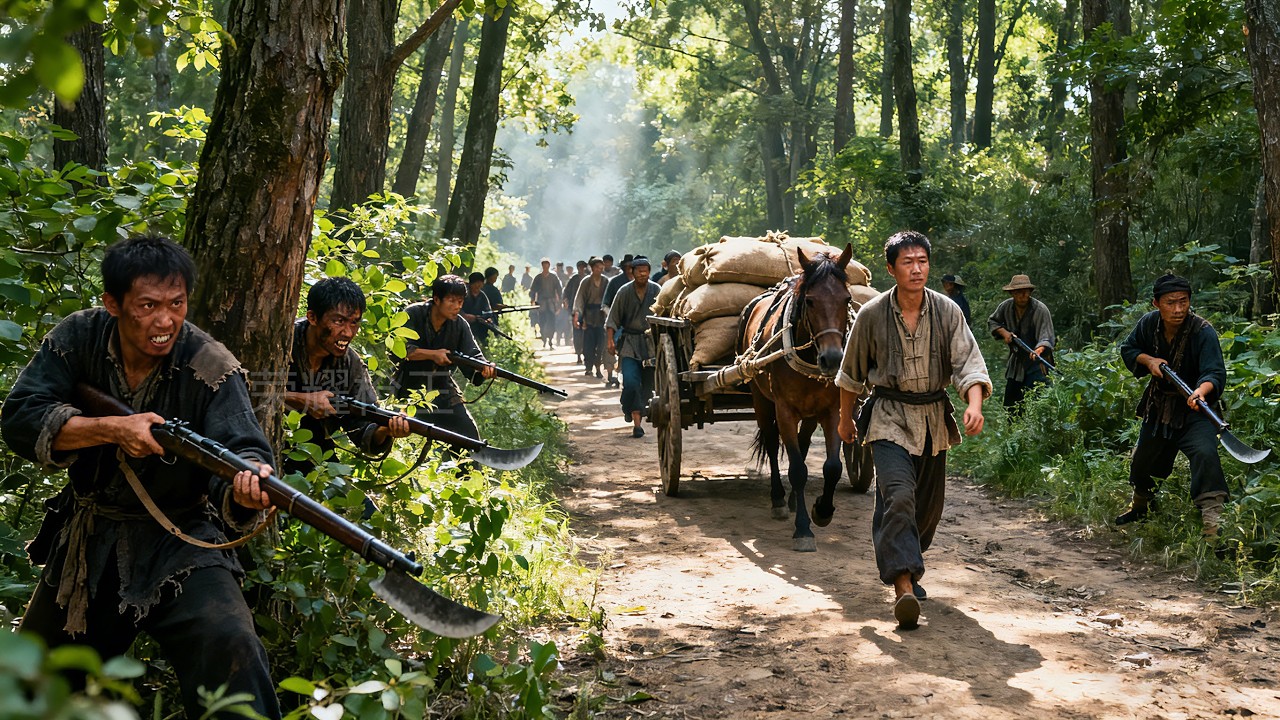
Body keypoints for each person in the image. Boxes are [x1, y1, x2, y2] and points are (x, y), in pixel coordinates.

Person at [0, 235, 282, 718]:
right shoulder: (77, 337)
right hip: (88, 544)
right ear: (113, 303)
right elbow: (21, 416)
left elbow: (244, 448)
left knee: (232, 644)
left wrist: (250, 487)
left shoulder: (209, 363)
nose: (165, 320)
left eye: (176, 304)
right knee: (25, 690)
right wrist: (110, 428)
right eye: (147, 305)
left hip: (183, 544)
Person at [836, 230, 991, 630]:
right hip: (888, 416)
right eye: (907, 262)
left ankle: (908, 556)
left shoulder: (947, 311)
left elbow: (968, 364)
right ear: (891, 269)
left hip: (933, 419)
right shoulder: (870, 315)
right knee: (899, 495)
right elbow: (851, 374)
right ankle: (903, 585)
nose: (917, 268)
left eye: (922, 261)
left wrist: (973, 405)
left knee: (927, 509)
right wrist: (844, 418)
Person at [1115, 274, 1229, 539]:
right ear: (1156, 303)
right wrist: (1149, 361)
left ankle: (1213, 525)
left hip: (1197, 410)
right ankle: (1140, 507)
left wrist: (1201, 390)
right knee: (1143, 461)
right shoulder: (1148, 324)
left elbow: (1215, 372)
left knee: (1205, 455)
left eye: (1183, 302)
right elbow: (1129, 348)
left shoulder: (1203, 331)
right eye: (1170, 303)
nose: (1178, 309)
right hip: (1159, 407)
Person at [283, 277, 410, 478]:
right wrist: (299, 400)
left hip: (313, 452)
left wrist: (385, 430)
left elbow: (363, 425)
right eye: (339, 321)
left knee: (355, 508)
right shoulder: (280, 342)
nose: (348, 333)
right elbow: (245, 391)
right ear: (313, 317)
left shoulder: (350, 364)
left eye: (354, 323)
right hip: (261, 444)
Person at [393, 275, 497, 441]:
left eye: (461, 302)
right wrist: (433, 354)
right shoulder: (413, 313)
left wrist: (484, 368)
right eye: (452, 301)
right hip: (408, 386)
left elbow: (473, 355)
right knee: (405, 434)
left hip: (442, 385)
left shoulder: (460, 324)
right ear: (436, 299)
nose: (457, 306)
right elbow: (401, 350)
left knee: (467, 436)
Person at [606, 256, 660, 438]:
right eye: (639, 270)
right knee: (630, 381)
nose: (642, 273)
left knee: (647, 386)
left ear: (649, 271)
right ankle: (637, 424)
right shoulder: (624, 291)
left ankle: (633, 409)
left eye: (645, 270)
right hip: (629, 343)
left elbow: (665, 315)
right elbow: (612, 319)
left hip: (650, 344)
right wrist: (610, 340)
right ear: (632, 272)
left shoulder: (657, 290)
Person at [987, 274, 1055, 413]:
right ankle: (1014, 432)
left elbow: (1046, 336)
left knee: (1041, 405)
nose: (1023, 295)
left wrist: (1039, 349)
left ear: (1030, 292)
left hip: (1038, 363)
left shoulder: (1040, 310)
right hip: (1017, 363)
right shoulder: (1005, 307)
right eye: (1018, 292)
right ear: (1012, 293)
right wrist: (1005, 333)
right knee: (1011, 407)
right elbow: (993, 321)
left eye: (1026, 291)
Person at [573, 257, 610, 379]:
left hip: (601, 316)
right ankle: (588, 368)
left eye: (601, 268)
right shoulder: (586, 282)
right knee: (588, 344)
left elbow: (610, 299)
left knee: (600, 345)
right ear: (592, 268)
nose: (600, 270)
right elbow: (579, 300)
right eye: (597, 267)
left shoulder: (606, 281)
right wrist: (577, 315)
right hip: (588, 316)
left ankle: (598, 368)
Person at [529, 258, 563, 350]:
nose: (545, 268)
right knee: (542, 322)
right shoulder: (538, 277)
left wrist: (560, 302)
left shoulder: (553, 277)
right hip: (541, 302)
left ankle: (551, 340)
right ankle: (544, 339)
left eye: (547, 266)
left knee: (552, 322)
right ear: (542, 266)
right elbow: (533, 290)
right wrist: (532, 300)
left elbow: (559, 290)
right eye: (544, 266)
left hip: (551, 303)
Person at [563, 260, 589, 364]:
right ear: (577, 268)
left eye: (583, 267)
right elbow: (566, 292)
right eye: (580, 267)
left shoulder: (589, 279)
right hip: (576, 310)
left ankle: (587, 355)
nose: (582, 269)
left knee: (587, 334)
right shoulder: (573, 279)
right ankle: (578, 354)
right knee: (577, 333)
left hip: (588, 311)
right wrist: (566, 302)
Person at [461, 272, 494, 343]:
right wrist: (463, 315)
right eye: (476, 283)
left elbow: (488, 312)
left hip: (477, 326)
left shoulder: (482, 296)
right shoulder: (463, 293)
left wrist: (486, 318)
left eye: (480, 283)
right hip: (461, 324)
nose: (478, 285)